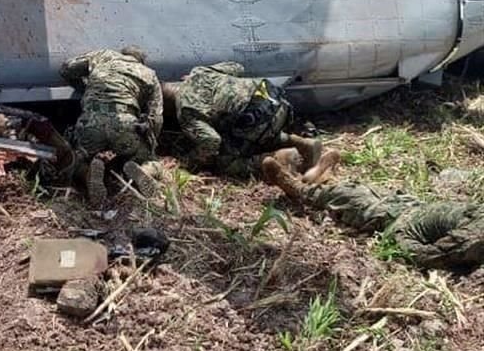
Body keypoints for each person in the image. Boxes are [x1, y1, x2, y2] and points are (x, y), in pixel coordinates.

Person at [262, 150, 484, 269]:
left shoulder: (476, 237)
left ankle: (298, 188)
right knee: (362, 189)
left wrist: (402, 239)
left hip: (400, 220)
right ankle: (326, 177)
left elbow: (436, 255)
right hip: (412, 205)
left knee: (351, 197)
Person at [166, 61, 320, 178]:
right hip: (272, 98)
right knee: (252, 131)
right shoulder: (199, 71)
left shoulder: (186, 111)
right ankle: (303, 143)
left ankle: (281, 159)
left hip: (256, 118)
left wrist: (190, 162)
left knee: (224, 162)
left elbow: (211, 141)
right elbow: (238, 67)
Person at [60, 47, 164, 206]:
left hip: (91, 122)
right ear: (141, 61)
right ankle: (143, 170)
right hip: (125, 124)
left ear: (122, 54)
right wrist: (150, 143)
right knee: (150, 160)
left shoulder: (103, 55)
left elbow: (66, 68)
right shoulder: (149, 74)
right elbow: (155, 117)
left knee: (75, 157)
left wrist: (83, 88)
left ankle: (87, 174)